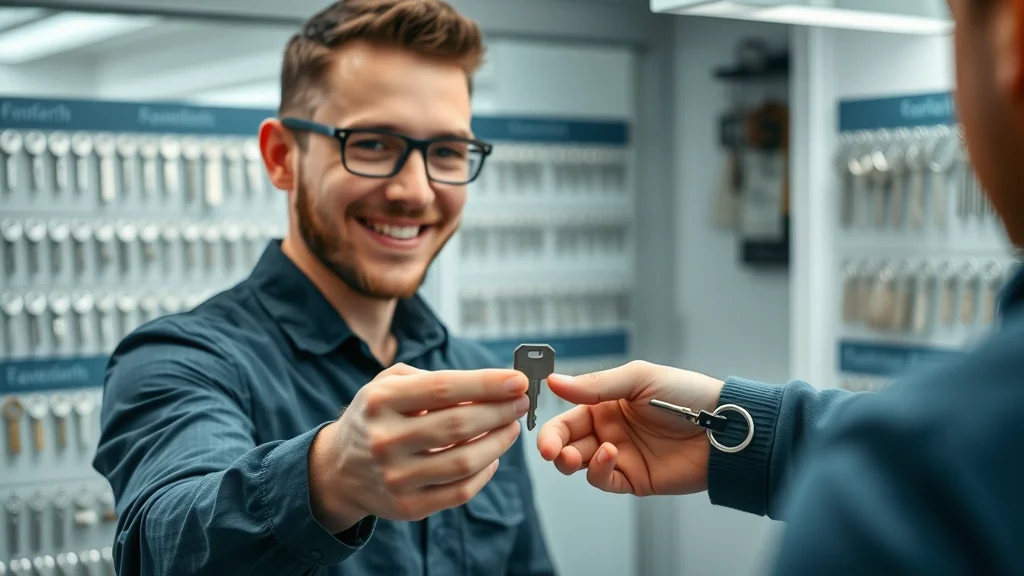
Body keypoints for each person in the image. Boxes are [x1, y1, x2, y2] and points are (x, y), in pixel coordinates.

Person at [537, 0, 1024, 572]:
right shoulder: (932, 469)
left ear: (1013, 40)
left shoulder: (900, 492)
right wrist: (756, 431)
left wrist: (874, 468)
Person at [91, 1, 556, 575]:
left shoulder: (473, 374)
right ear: (282, 157)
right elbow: (159, 547)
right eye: (373, 144)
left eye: (446, 152)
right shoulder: (179, 361)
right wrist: (328, 479)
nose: (416, 191)